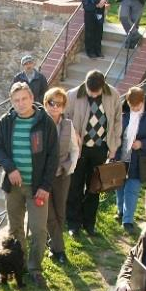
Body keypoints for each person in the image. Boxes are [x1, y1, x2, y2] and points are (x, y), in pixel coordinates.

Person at [0, 81, 59, 287]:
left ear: (32, 98)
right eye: (16, 100)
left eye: (24, 99)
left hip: (37, 186)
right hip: (13, 187)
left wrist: (46, 186)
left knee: (38, 229)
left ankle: (34, 268)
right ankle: (17, 265)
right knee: (15, 229)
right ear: (12, 102)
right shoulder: (6, 121)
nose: (20, 104)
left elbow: (53, 157)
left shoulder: (45, 122)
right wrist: (10, 168)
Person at [66, 70, 123, 236]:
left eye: (96, 92)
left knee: (94, 187)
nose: (93, 94)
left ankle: (89, 223)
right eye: (90, 92)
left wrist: (114, 145)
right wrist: (73, 134)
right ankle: (73, 224)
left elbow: (118, 121)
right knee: (75, 187)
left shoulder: (113, 94)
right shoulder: (73, 95)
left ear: (103, 86)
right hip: (79, 149)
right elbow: (65, 119)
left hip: (100, 148)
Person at [114, 86, 146, 233]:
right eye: (132, 107)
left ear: (143, 101)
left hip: (139, 158)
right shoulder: (122, 110)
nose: (134, 109)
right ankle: (120, 211)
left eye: (137, 107)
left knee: (132, 188)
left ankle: (128, 220)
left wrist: (142, 144)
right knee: (119, 185)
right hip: (121, 154)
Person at [43, 88, 79, 265]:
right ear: (46, 104)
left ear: (64, 107)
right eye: (51, 102)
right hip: (43, 177)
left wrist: (69, 168)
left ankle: (53, 245)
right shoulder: (39, 124)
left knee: (60, 213)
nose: (55, 107)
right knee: (49, 214)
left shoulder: (68, 125)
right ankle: (60, 250)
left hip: (62, 175)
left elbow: (74, 149)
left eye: (59, 104)